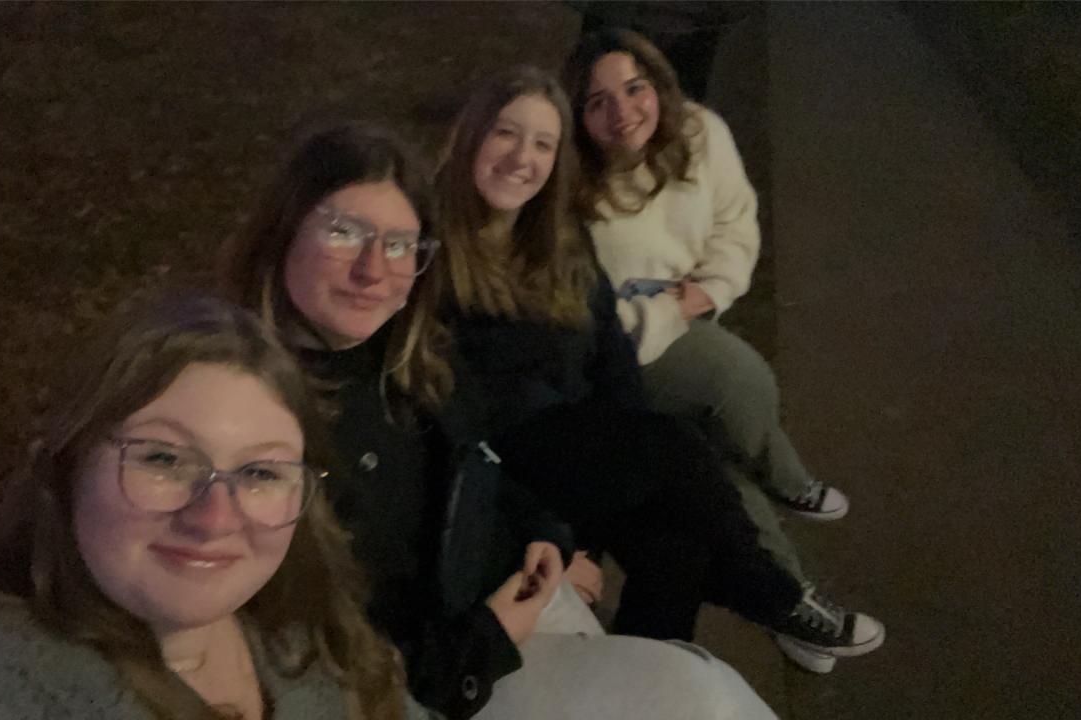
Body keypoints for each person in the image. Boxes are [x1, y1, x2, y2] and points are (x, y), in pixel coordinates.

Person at [221, 122, 778, 719]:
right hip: (454, 668)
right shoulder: (245, 422)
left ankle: (761, 576)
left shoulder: (414, 355)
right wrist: (491, 636)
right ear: (283, 230)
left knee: (679, 549)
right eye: (343, 232)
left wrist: (544, 534)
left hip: (514, 593)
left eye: (400, 244)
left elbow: (479, 462)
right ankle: (766, 587)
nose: (372, 269)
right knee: (700, 695)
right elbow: (324, 668)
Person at [436, 64, 883, 674]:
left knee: (676, 547)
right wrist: (556, 533)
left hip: (586, 444)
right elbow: (446, 416)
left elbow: (612, 354)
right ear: (471, 135)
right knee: (675, 447)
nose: (522, 158)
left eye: (542, 144)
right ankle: (767, 590)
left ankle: (644, 681)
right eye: (505, 134)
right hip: (504, 468)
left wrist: (636, 451)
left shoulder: (559, 238)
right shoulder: (432, 250)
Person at [0, 293, 429, 720]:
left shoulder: (301, 635)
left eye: (261, 472)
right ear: (68, 466)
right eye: (163, 459)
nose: (215, 517)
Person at [562, 28, 848, 522]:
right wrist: (667, 312)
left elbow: (734, 222)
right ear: (578, 116)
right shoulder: (570, 183)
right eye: (598, 102)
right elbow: (580, 311)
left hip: (688, 310)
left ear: (658, 84)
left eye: (634, 88)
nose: (622, 113)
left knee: (727, 435)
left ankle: (771, 498)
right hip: (624, 344)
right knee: (736, 380)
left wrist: (710, 291)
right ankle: (784, 484)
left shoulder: (700, 132)